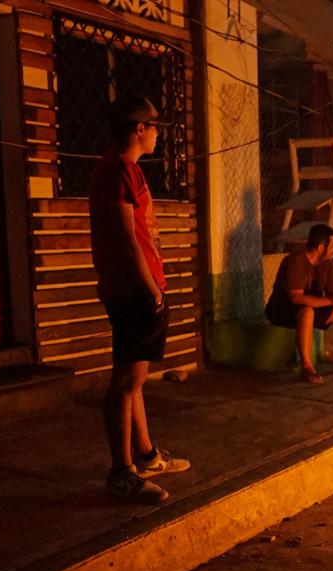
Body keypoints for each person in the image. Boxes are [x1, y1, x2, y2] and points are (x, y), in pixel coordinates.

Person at [89, 95, 190, 504]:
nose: (157, 133)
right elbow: (126, 239)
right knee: (125, 382)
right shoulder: (117, 171)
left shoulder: (127, 170)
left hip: (139, 288)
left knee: (136, 380)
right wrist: (150, 289)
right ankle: (121, 472)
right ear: (138, 129)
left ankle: (146, 455)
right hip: (132, 291)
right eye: (153, 126)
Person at [266, 223, 333, 383]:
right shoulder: (295, 261)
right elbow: (296, 298)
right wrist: (331, 300)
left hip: (311, 309)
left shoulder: (328, 264)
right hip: (283, 311)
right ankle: (307, 366)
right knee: (307, 310)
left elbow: (332, 295)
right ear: (320, 247)